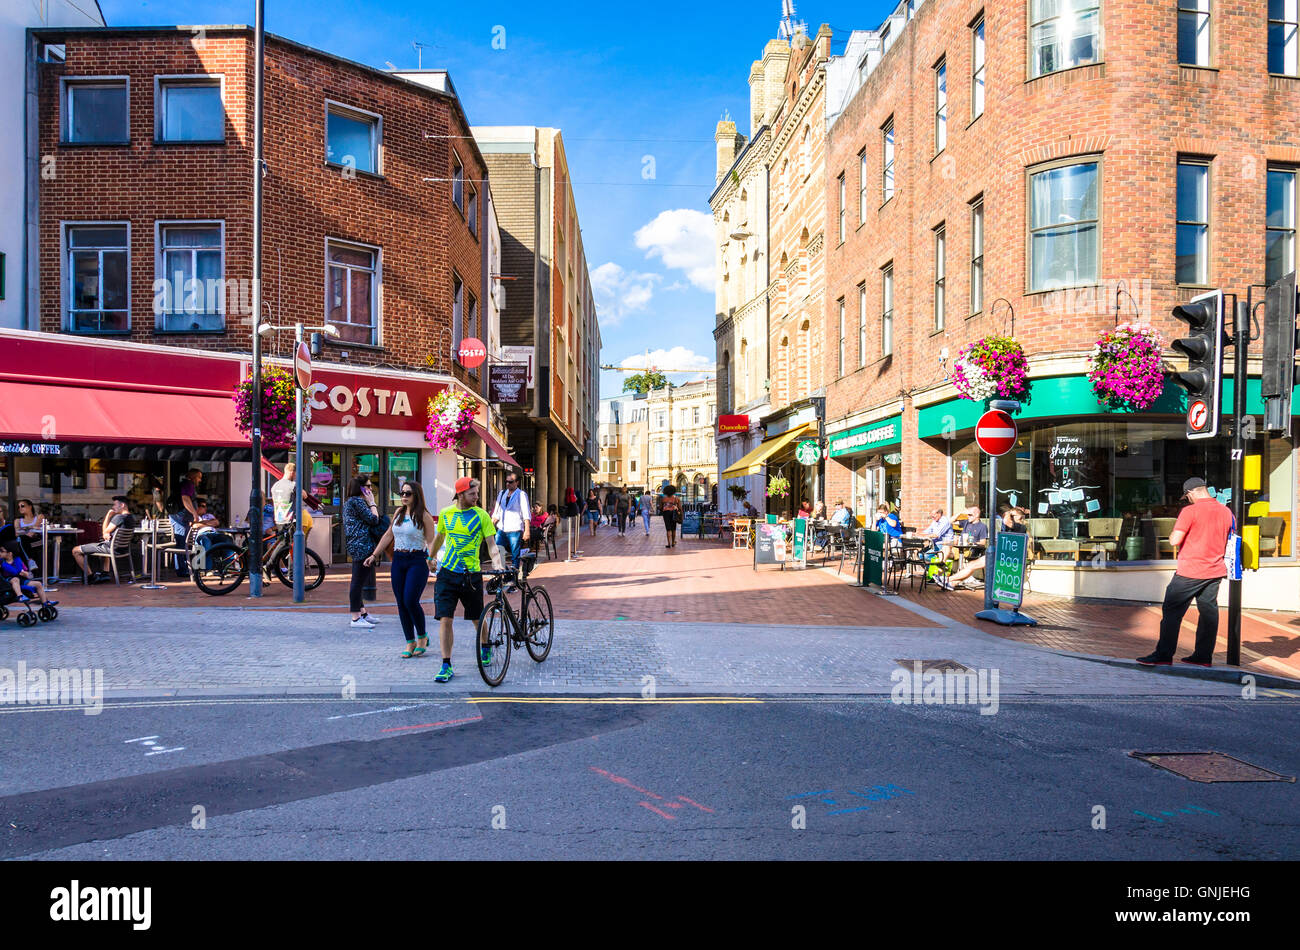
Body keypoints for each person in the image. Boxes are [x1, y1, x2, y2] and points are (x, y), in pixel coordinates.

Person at [1139, 477, 1234, 668]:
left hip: (1190, 571)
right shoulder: (1226, 511)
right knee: (1208, 613)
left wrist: (1173, 533)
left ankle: (1163, 655)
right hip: (1214, 570)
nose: (1187, 499)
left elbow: (1175, 540)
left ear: (1191, 492)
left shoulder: (1189, 511)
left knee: (1172, 612)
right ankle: (1203, 656)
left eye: (1187, 496)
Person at [424, 476, 504, 683]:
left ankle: (485, 646)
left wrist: (497, 564)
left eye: (477, 493)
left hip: (471, 576)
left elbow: (491, 543)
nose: (476, 497)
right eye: (472, 494)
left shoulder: (481, 515)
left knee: (477, 617)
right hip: (447, 574)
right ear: (460, 494)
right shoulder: (446, 513)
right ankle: (446, 664)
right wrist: (430, 558)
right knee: (445, 618)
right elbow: (440, 537)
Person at [365, 481, 439, 660]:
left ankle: (422, 636)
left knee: (410, 600)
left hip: (417, 560)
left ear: (416, 495)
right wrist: (374, 555)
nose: (404, 496)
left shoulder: (424, 516)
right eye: (402, 493)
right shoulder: (398, 513)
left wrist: (432, 558)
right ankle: (409, 641)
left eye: (408, 493)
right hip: (399, 560)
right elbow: (388, 534)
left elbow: (431, 541)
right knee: (401, 603)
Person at [343, 475, 384, 629]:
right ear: (360, 488)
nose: (370, 488)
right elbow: (374, 520)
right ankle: (355, 617)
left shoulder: (350, 502)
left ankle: (362, 612)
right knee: (358, 581)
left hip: (356, 543)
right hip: (362, 544)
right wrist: (372, 503)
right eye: (367, 486)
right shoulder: (358, 502)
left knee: (359, 580)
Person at [72, 496, 135, 580]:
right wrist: (107, 534)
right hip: (122, 549)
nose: (113, 507)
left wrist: (108, 516)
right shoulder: (131, 518)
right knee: (105, 542)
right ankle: (105, 573)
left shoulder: (119, 517)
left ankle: (90, 577)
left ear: (122, 505)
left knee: (75, 550)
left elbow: (104, 531)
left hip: (111, 548)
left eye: (115, 505)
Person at [490, 472, 531, 572]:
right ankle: (500, 573)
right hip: (502, 529)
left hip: (515, 529)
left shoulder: (521, 494)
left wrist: (527, 530)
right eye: (506, 482)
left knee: (514, 555)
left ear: (517, 482)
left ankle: (514, 577)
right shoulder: (502, 493)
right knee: (498, 552)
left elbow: (526, 513)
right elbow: (497, 512)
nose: (508, 484)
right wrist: (490, 526)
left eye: (510, 482)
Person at [169, 468, 202, 576]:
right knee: (181, 543)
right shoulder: (188, 484)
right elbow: (185, 499)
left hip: (181, 518)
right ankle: (181, 570)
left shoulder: (185, 484)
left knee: (182, 543)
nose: (200, 480)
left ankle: (183, 568)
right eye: (199, 477)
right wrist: (194, 513)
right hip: (180, 518)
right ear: (193, 477)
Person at [563, 487, 581, 560]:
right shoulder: (573, 496)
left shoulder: (568, 497)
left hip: (570, 512)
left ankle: (572, 553)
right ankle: (573, 552)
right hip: (574, 512)